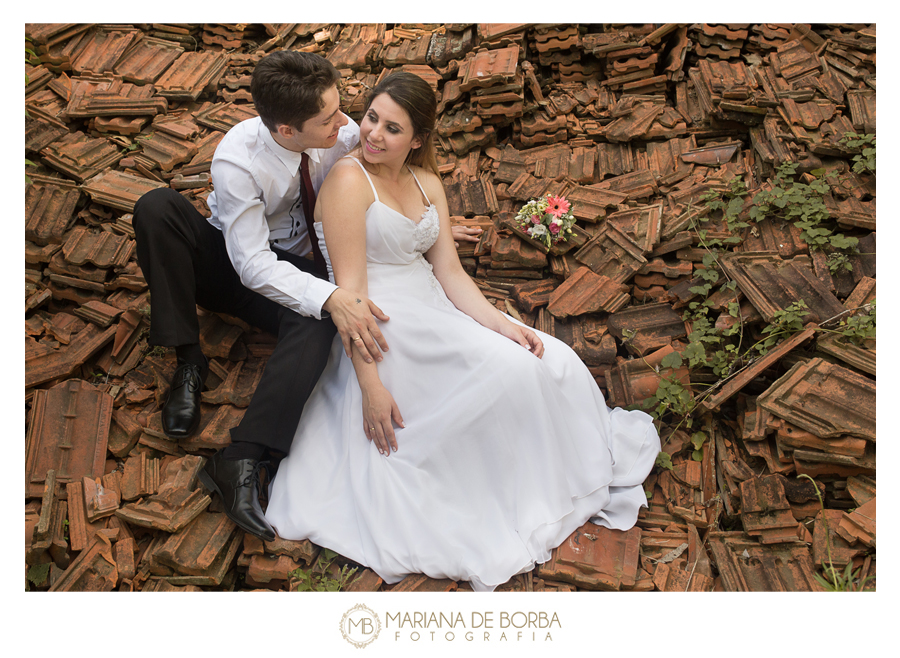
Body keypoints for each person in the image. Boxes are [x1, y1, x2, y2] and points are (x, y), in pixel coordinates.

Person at [264, 72, 661, 591]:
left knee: (550, 359)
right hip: (385, 324)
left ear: (419, 139)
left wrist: (501, 323)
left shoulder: (427, 183)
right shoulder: (347, 181)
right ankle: (500, 498)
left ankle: (540, 483)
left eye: (393, 127)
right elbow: (352, 298)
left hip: (433, 305)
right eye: (372, 118)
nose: (374, 134)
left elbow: (450, 272)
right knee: (501, 380)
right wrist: (371, 386)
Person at [133, 51, 479, 541]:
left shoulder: (336, 132)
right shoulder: (239, 160)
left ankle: (244, 456)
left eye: (341, 109)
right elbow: (251, 263)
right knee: (156, 207)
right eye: (329, 119)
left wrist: (424, 226)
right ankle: (188, 360)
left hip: (304, 263)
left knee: (321, 318)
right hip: (237, 261)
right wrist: (331, 296)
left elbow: (389, 172)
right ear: (286, 131)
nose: (348, 125)